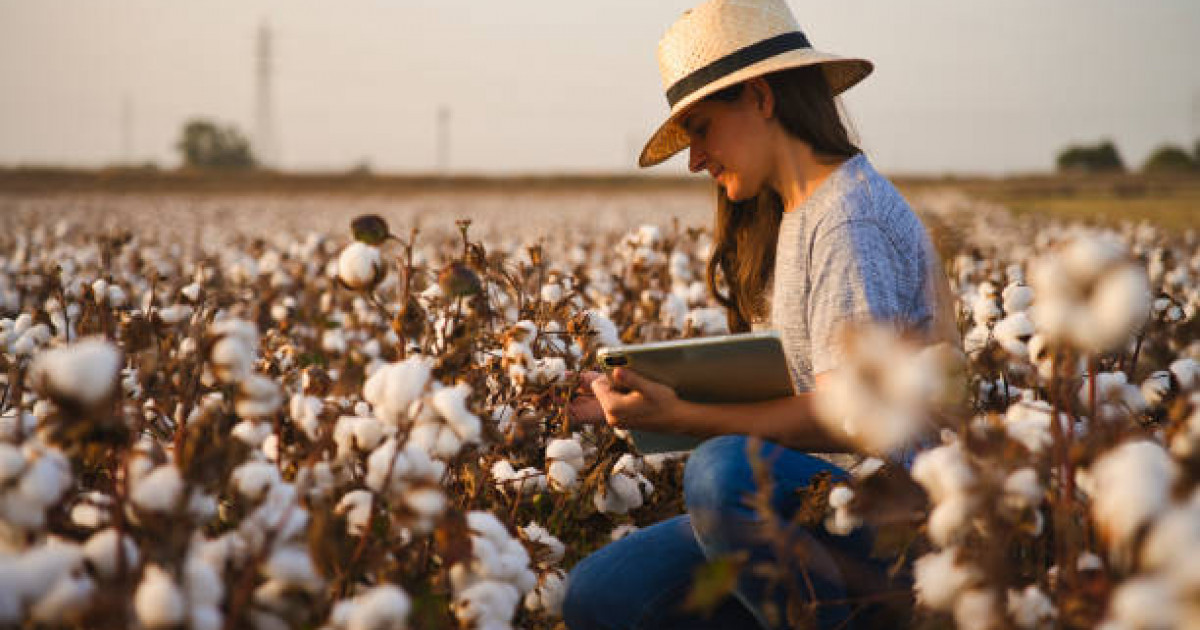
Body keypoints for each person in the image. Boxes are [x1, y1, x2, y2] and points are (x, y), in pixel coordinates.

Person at [562, 1, 960, 629]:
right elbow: (806, 386)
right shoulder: (795, 216)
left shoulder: (847, 221)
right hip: (813, 500)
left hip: (893, 521)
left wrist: (685, 417)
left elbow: (856, 418)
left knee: (721, 475)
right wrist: (648, 401)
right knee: (597, 593)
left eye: (701, 128)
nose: (694, 159)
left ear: (761, 99)